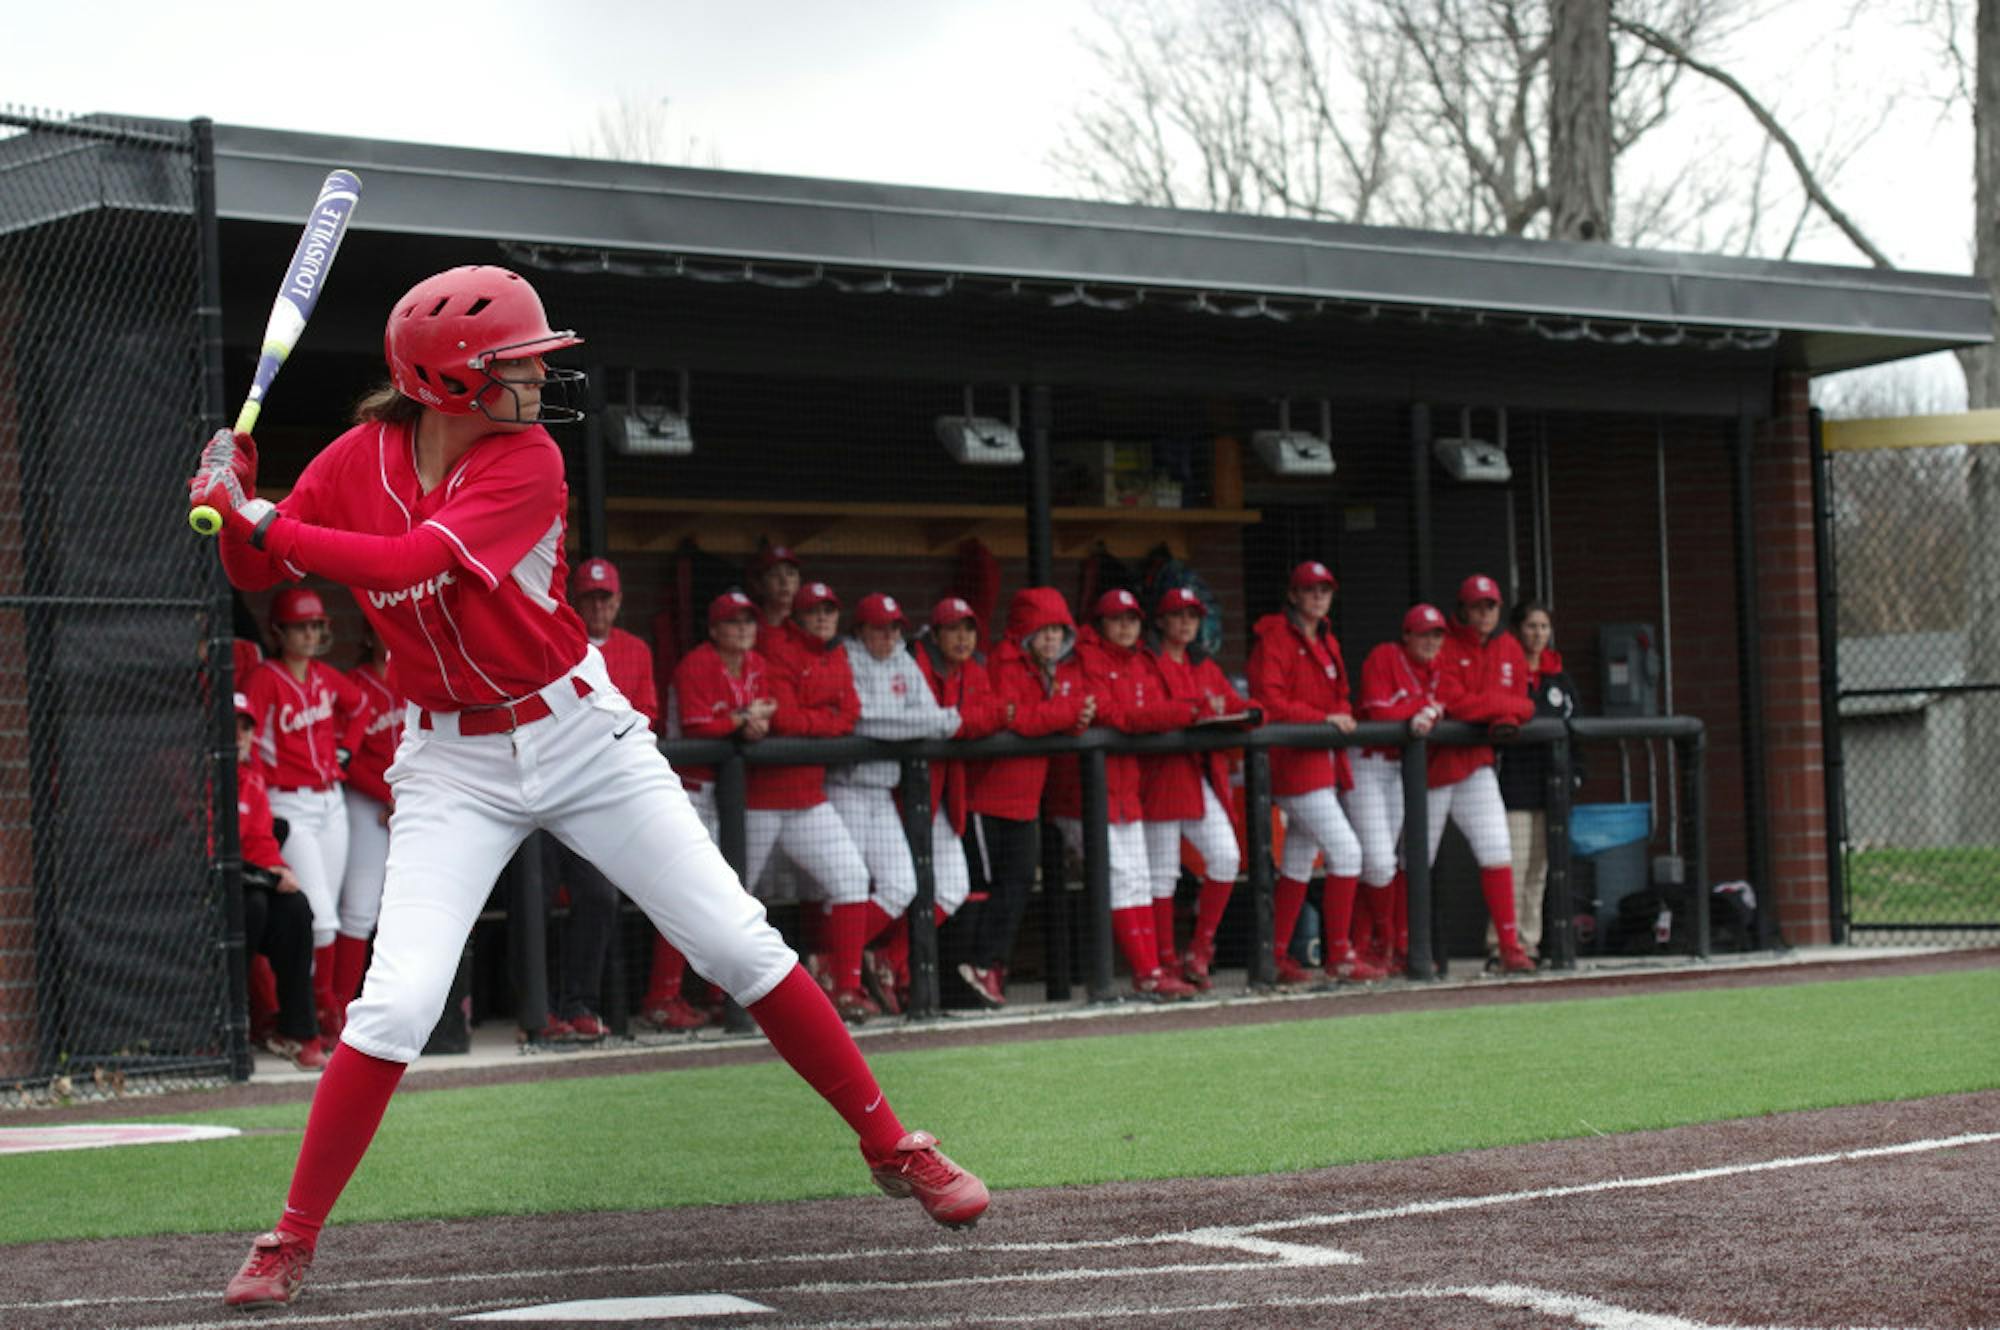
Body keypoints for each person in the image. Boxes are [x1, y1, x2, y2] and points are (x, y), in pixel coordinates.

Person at [190, 264, 987, 1309]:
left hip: (579, 733)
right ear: (447, 382)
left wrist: (257, 517)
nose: (535, 380)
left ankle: (891, 1144)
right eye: (514, 365)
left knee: (736, 938)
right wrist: (233, 492)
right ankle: (289, 1238)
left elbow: (406, 567)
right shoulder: (356, 459)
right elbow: (259, 576)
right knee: (395, 1004)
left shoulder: (527, 460)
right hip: (449, 760)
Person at [1051, 588, 1200, 1000]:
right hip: (1084, 795)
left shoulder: (1140, 663)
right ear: (1100, 624)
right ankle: (1148, 971)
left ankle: (1150, 971)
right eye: (1116, 620)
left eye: (1132, 620)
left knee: (1138, 878)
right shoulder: (1083, 660)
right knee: (1119, 878)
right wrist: (1186, 709)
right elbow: (1120, 717)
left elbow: (1142, 714)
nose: (1125, 627)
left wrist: (1174, 710)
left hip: (1125, 789)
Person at [643, 590, 776, 1031]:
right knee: (685, 895)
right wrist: (742, 721)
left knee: (717, 894)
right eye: (733, 622)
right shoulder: (696, 664)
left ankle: (717, 992)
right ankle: (662, 996)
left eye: (748, 621)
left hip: (719, 793)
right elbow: (700, 725)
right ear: (714, 629)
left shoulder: (757, 664)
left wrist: (755, 722)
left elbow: (767, 710)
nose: (743, 629)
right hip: (684, 788)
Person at [543, 556, 663, 1040]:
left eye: (606, 598)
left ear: (618, 601)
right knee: (536, 896)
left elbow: (647, 713)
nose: (599, 607)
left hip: (599, 793)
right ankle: (538, 1011)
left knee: (598, 895)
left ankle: (579, 1005)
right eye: (590, 597)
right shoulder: (556, 637)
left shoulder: (636, 650)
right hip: (547, 787)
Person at [827, 593, 963, 1015]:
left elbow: (931, 713)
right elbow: (865, 720)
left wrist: (923, 721)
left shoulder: (904, 659)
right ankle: (840, 973)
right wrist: (925, 723)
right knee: (844, 886)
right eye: (878, 628)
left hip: (883, 789)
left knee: (902, 885)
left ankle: (834, 963)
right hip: (847, 786)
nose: (888, 636)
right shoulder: (846, 658)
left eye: (894, 628)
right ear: (860, 630)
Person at [959, 587, 1095, 1008]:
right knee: (982, 888)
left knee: (1018, 886)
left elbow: (1058, 714)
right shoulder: (1003, 661)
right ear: (1024, 631)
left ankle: (989, 967)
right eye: (1043, 630)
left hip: (1025, 800)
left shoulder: (1048, 670)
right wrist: (1069, 713)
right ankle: (969, 969)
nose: (1052, 639)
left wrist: (1076, 717)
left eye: (1058, 630)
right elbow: (1020, 719)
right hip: (987, 798)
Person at [1247, 561, 1381, 987]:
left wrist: (1334, 713)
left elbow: (1341, 695)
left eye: (1324, 590)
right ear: (1293, 595)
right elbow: (1268, 699)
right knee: (1348, 852)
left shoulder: (1327, 639)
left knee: (1300, 860)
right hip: (1292, 763)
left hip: (1321, 761)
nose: (1319, 597)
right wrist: (1322, 717)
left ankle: (1280, 954)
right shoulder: (1274, 637)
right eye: (1309, 590)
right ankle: (1339, 954)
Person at [748, 580, 876, 1021]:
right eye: (814, 612)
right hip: (759, 799)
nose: (822, 618)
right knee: (730, 897)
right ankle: (711, 997)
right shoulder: (778, 648)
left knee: (852, 878)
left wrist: (816, 721)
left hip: (808, 798)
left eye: (829, 610)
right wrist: (827, 720)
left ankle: (848, 987)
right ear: (798, 618)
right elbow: (781, 716)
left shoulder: (837, 653)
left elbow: (851, 713)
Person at [242, 586, 364, 1036]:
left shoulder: (323, 676)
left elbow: (361, 706)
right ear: (279, 631)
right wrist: (255, 787)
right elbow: (247, 737)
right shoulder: (264, 677)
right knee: (320, 916)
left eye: (316, 625)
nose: (311, 634)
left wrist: (347, 751)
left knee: (326, 911)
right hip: (287, 802)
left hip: (332, 801)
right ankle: (323, 1013)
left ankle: (313, 1011)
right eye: (301, 626)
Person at [902, 595, 1012, 1011]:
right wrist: (962, 720)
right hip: (900, 796)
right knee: (894, 887)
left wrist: (959, 721)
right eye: (953, 629)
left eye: (968, 629)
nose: (962, 638)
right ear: (935, 634)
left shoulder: (973, 669)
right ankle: (876, 967)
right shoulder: (917, 664)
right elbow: (936, 721)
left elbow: (995, 711)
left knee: (951, 888)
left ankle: (893, 960)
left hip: (944, 795)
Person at [1141, 586, 1251, 990]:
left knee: (1226, 856)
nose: (1186, 623)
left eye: (1192, 616)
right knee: (1162, 875)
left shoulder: (1202, 663)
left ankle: (1200, 949)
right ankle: (1166, 961)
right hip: (1159, 777)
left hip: (1196, 775)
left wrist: (1250, 714)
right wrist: (1198, 709)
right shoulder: (1147, 660)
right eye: (1178, 615)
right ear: (1161, 621)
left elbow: (1236, 704)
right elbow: (1148, 713)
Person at [1437, 574, 1538, 974]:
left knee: (1498, 849)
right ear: (1462, 609)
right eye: (1477, 606)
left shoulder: (1509, 645)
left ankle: (1510, 946)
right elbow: (1453, 703)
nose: (1484, 613)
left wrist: (1501, 710)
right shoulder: (1443, 643)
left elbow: (1526, 705)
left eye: (1491, 606)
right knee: (1408, 858)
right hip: (1432, 765)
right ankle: (1398, 946)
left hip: (1475, 763)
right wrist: (1499, 710)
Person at [1349, 603, 1452, 974]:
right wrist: (1420, 708)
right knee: (1377, 860)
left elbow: (1450, 702)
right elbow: (1378, 711)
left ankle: (1370, 947)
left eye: (1437, 634)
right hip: (1366, 764)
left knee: (1383, 863)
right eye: (1423, 634)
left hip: (1397, 770)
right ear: (1407, 635)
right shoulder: (1385, 655)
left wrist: (1428, 709)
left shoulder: (1439, 667)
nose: (1430, 641)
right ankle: (1384, 941)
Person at [231, 690, 327, 1072]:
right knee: (252, 905)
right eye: (231, 727)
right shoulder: (198, 773)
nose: (239, 736)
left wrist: (278, 869)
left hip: (251, 877)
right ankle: (232, 1028)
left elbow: (261, 840)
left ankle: (298, 1031)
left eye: (245, 728)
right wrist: (263, 875)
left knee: (296, 908)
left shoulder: (251, 775)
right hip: (212, 886)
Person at [1495, 599, 1577, 968]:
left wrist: (1577, 774)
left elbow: (1576, 730)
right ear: (1516, 630)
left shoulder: (1559, 678)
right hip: (1513, 783)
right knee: (1511, 866)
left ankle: (1529, 943)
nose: (1538, 634)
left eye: (1544, 627)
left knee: (1539, 871)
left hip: (1551, 786)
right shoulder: (1504, 672)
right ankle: (1500, 944)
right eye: (1531, 626)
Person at [332, 623, 400, 1033]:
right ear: (368, 637)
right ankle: (337, 1012)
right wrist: (384, 795)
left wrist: (403, 798)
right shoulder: (353, 685)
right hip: (366, 801)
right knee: (359, 910)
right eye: (381, 633)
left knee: (406, 912)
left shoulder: (414, 678)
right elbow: (344, 759)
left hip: (409, 802)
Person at [749, 544, 803, 650]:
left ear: (799, 582)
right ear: (758, 585)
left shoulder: (810, 626)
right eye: (774, 574)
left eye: (790, 574)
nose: (784, 581)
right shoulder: (747, 629)